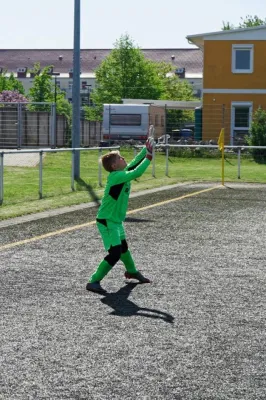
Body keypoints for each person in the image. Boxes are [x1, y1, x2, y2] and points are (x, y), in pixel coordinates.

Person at [86, 138, 154, 294]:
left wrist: (146, 149)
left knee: (123, 248)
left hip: (115, 221)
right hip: (107, 221)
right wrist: (149, 157)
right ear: (114, 166)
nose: (124, 159)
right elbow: (138, 171)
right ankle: (93, 281)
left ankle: (132, 271)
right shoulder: (116, 177)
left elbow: (134, 164)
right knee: (115, 253)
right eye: (121, 158)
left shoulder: (121, 173)